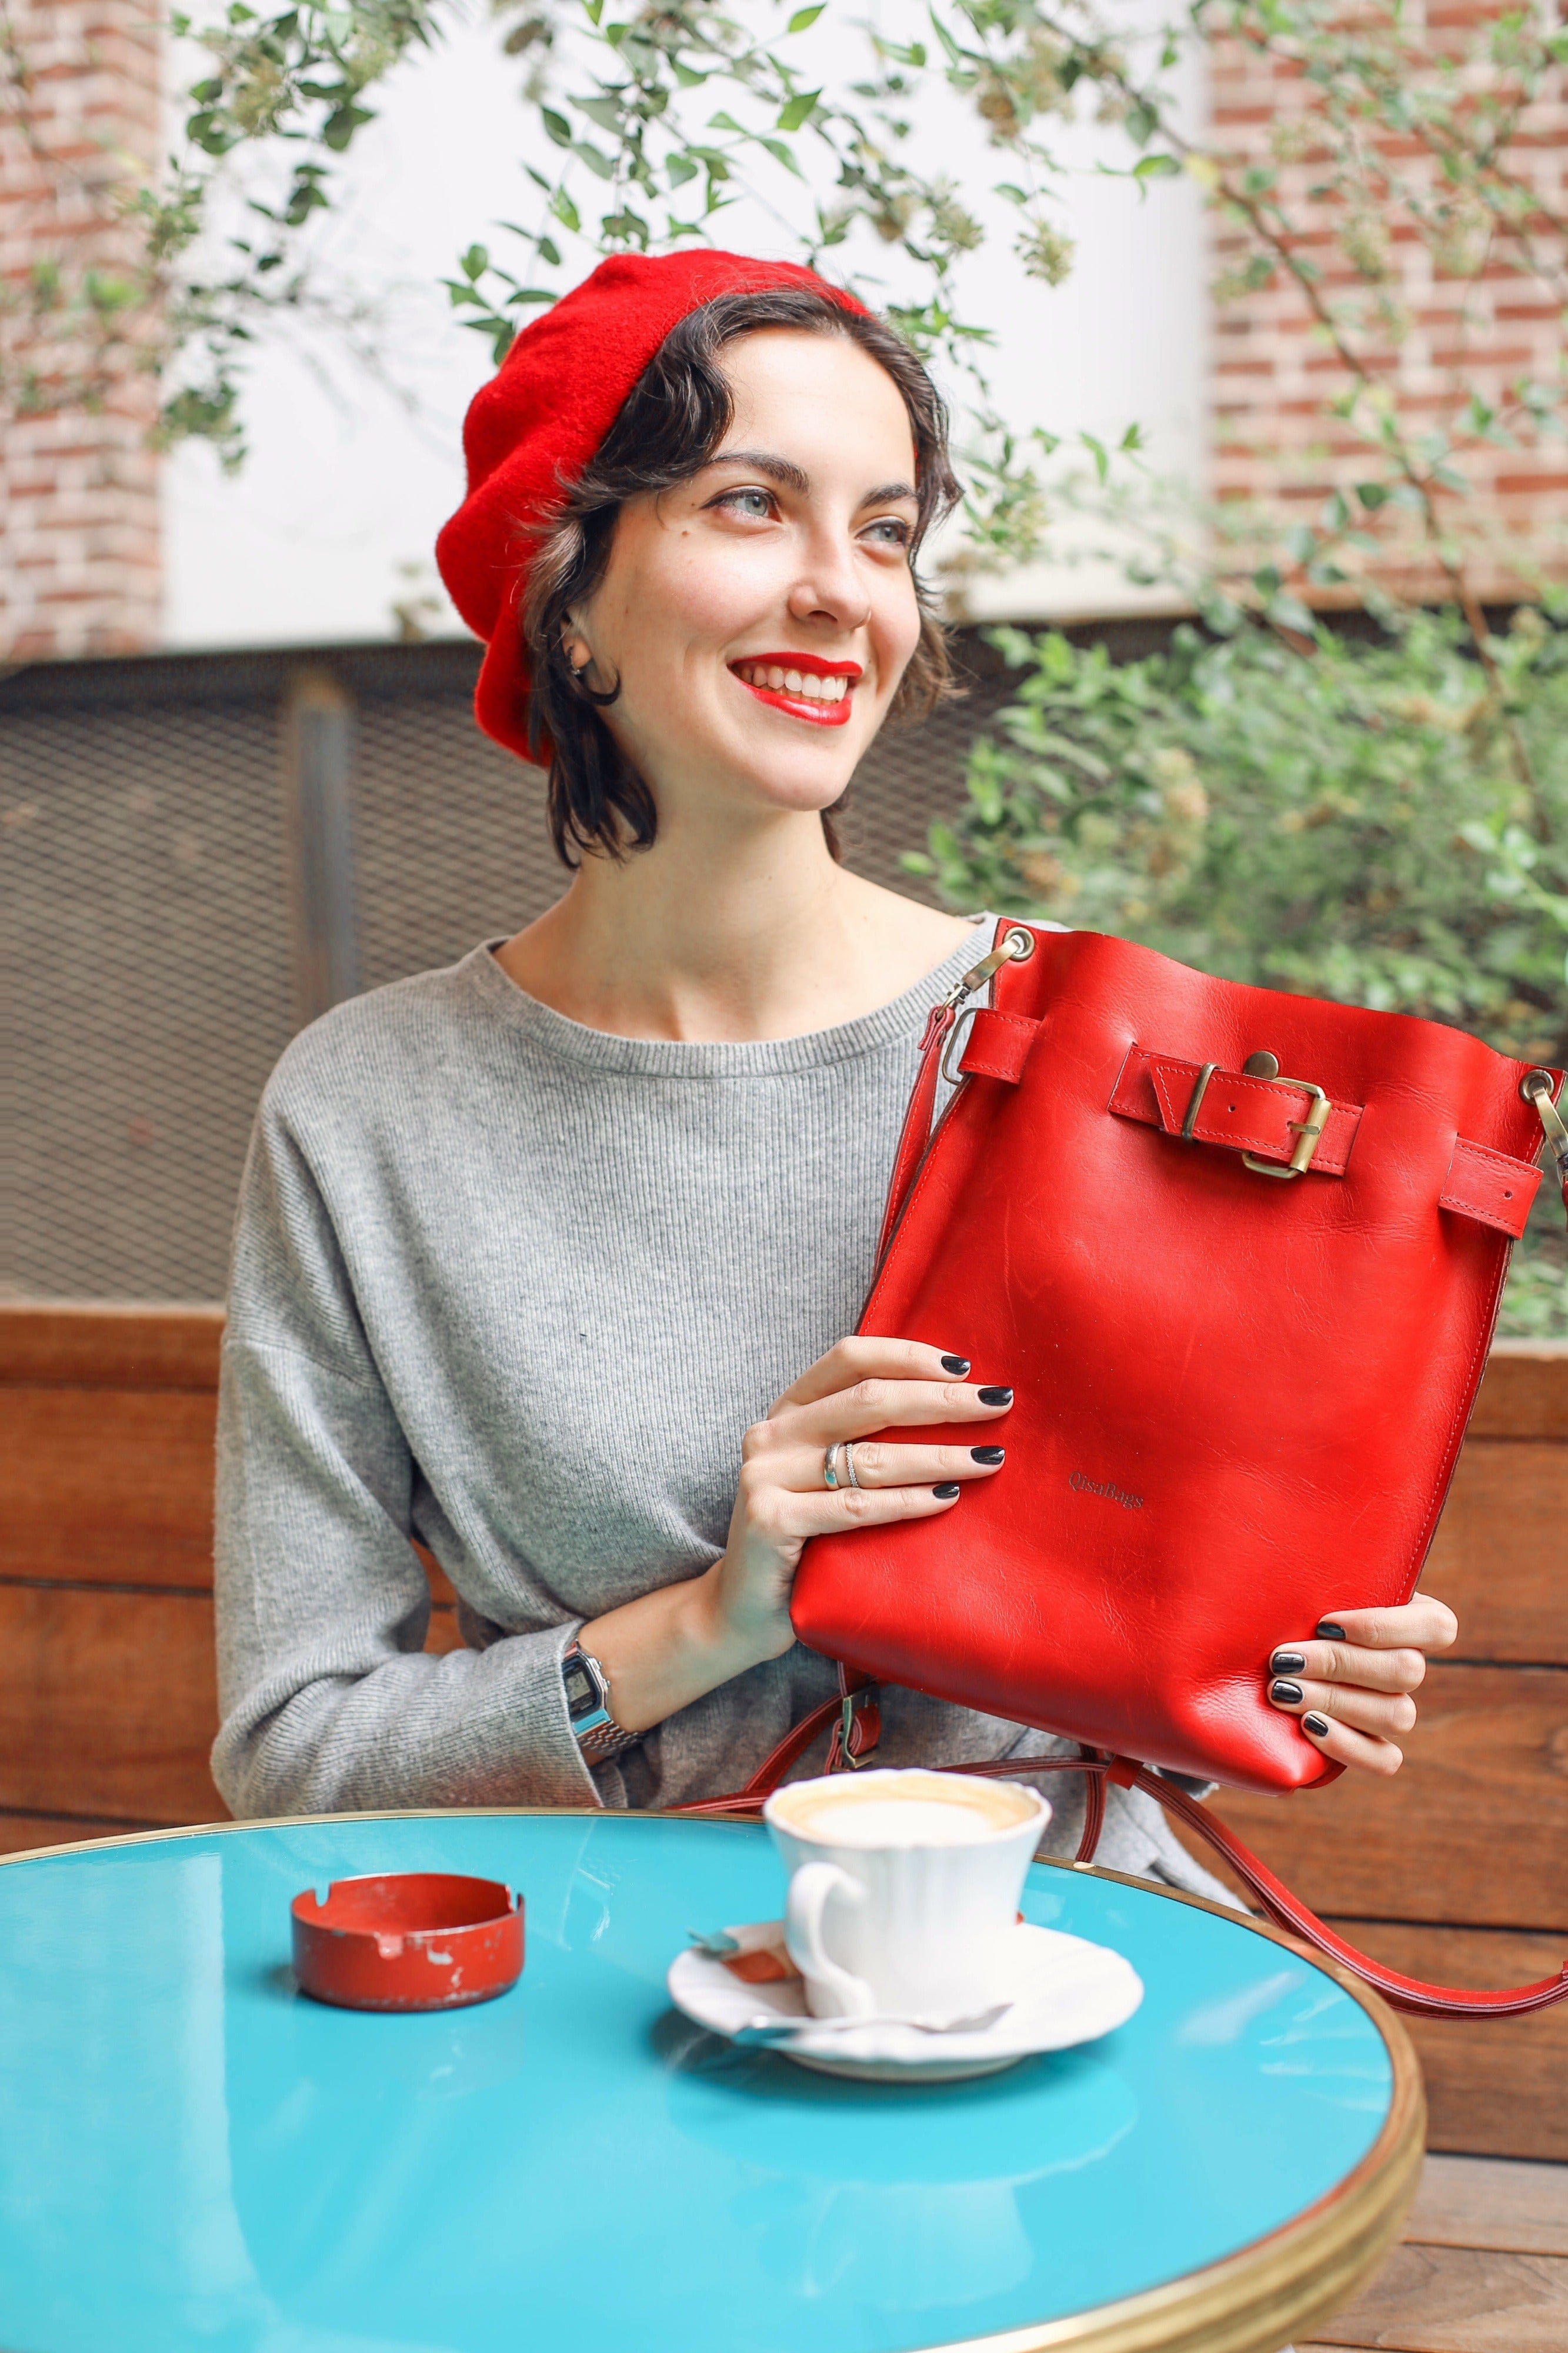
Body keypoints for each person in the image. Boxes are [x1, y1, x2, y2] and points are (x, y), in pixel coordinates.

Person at [211, 251, 1456, 1885]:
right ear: (565, 595)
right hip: (604, 1989)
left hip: (1058, 1971)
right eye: (748, 504)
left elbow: (1152, 1691)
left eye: (883, 531)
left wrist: (1285, 1663)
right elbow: (291, 1749)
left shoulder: (1072, 1045)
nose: (841, 590)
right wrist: (718, 1617)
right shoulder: (367, 1112)